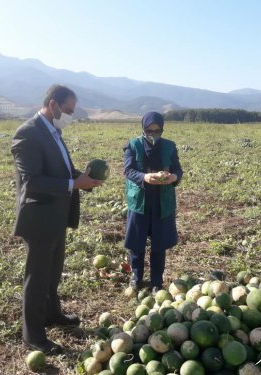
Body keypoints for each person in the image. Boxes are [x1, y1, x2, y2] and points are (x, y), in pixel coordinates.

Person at [11, 84, 103, 354]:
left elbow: (62, 169)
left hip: (56, 216)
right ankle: (33, 335)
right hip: (39, 216)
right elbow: (33, 181)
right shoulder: (27, 134)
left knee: (52, 273)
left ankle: (53, 314)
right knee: (37, 276)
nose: (70, 116)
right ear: (53, 105)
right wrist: (73, 184)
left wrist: (81, 178)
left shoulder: (54, 132)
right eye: (68, 110)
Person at [123, 111, 183, 294]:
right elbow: (128, 170)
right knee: (137, 242)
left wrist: (172, 177)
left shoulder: (169, 147)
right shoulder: (132, 145)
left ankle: (157, 281)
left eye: (158, 130)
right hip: (139, 201)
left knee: (159, 243)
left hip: (161, 202)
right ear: (144, 128)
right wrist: (145, 177)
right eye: (150, 130)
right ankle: (136, 277)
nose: (153, 134)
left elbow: (178, 171)